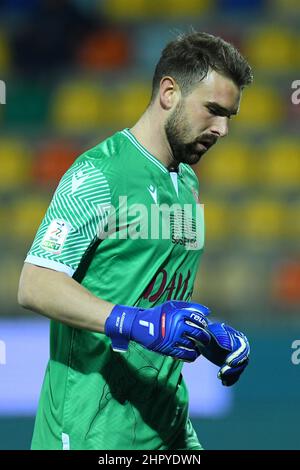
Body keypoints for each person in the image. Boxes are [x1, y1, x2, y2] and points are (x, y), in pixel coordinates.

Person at [18, 31, 252, 450]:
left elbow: (157, 301)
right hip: (91, 431)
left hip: (166, 427)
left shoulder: (187, 184)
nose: (223, 129)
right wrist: (132, 323)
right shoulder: (98, 175)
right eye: (214, 111)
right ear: (168, 92)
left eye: (229, 116)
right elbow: (35, 284)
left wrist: (204, 336)